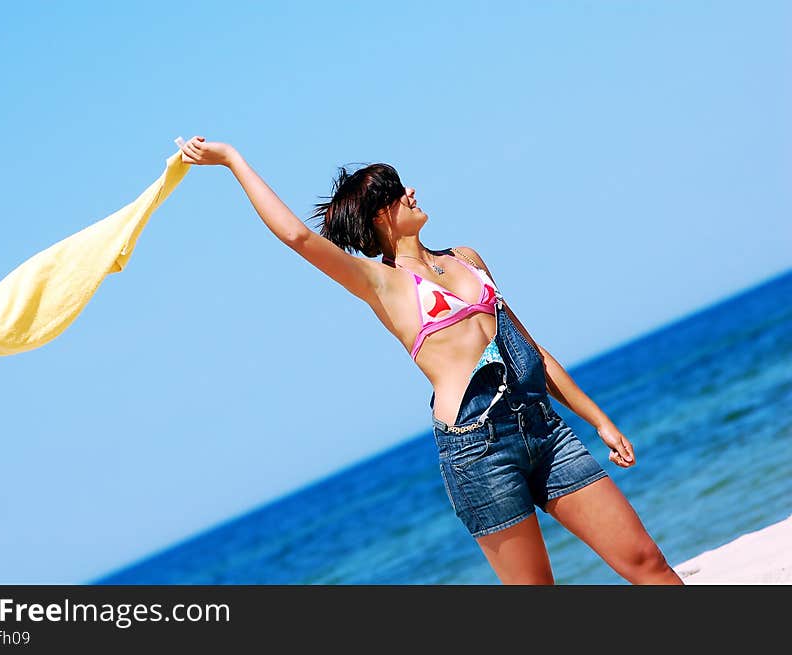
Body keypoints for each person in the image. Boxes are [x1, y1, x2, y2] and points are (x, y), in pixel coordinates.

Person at [179, 136, 683, 585]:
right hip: (478, 452)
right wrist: (231, 160)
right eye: (398, 192)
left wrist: (599, 420)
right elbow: (297, 236)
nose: (412, 193)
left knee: (645, 561)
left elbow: (532, 350)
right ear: (381, 214)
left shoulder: (467, 258)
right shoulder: (383, 284)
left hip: (544, 430)